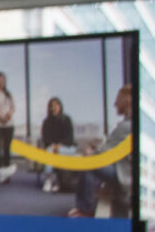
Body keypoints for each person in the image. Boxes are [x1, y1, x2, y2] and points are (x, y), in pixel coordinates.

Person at [69, 84, 133, 218]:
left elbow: (103, 154)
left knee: (90, 164)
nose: (115, 104)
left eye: (118, 99)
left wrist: (89, 153)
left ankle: (85, 209)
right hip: (124, 167)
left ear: (127, 100)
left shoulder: (127, 126)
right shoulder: (130, 123)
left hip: (126, 173)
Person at [40, 97, 75, 193]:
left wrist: (60, 145)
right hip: (52, 148)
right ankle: (48, 180)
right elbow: (45, 139)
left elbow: (70, 138)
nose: (54, 108)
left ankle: (60, 182)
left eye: (56, 105)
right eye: (52, 106)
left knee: (57, 152)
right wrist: (53, 146)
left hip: (67, 148)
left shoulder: (66, 119)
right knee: (49, 152)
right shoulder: (46, 122)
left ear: (60, 107)